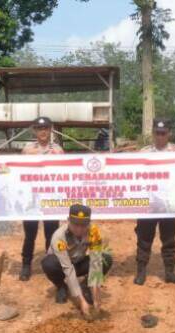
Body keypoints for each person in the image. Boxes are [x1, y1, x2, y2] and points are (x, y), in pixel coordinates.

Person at [133, 118, 175, 286]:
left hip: (169, 205)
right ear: (153, 133)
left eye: (163, 133)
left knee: (169, 239)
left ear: (169, 133)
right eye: (157, 133)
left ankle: (170, 272)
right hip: (148, 204)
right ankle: (141, 271)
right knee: (144, 238)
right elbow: (132, 173)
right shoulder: (144, 153)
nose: (160, 136)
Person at [41, 204, 112, 315]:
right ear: (68, 220)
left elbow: (95, 264)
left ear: (89, 222)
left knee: (105, 259)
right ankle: (61, 286)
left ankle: (85, 285)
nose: (79, 229)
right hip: (63, 266)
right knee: (49, 263)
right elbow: (68, 269)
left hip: (79, 262)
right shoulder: (59, 237)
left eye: (84, 225)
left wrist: (96, 297)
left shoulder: (94, 232)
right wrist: (81, 301)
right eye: (75, 224)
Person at [19, 116, 64, 281]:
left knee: (51, 234)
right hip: (31, 200)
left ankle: (49, 264)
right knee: (29, 234)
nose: (43, 131)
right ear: (34, 131)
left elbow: (65, 173)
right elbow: (18, 172)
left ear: (50, 130)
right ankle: (26, 265)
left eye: (45, 128)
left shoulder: (58, 150)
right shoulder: (27, 149)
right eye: (39, 129)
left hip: (51, 199)